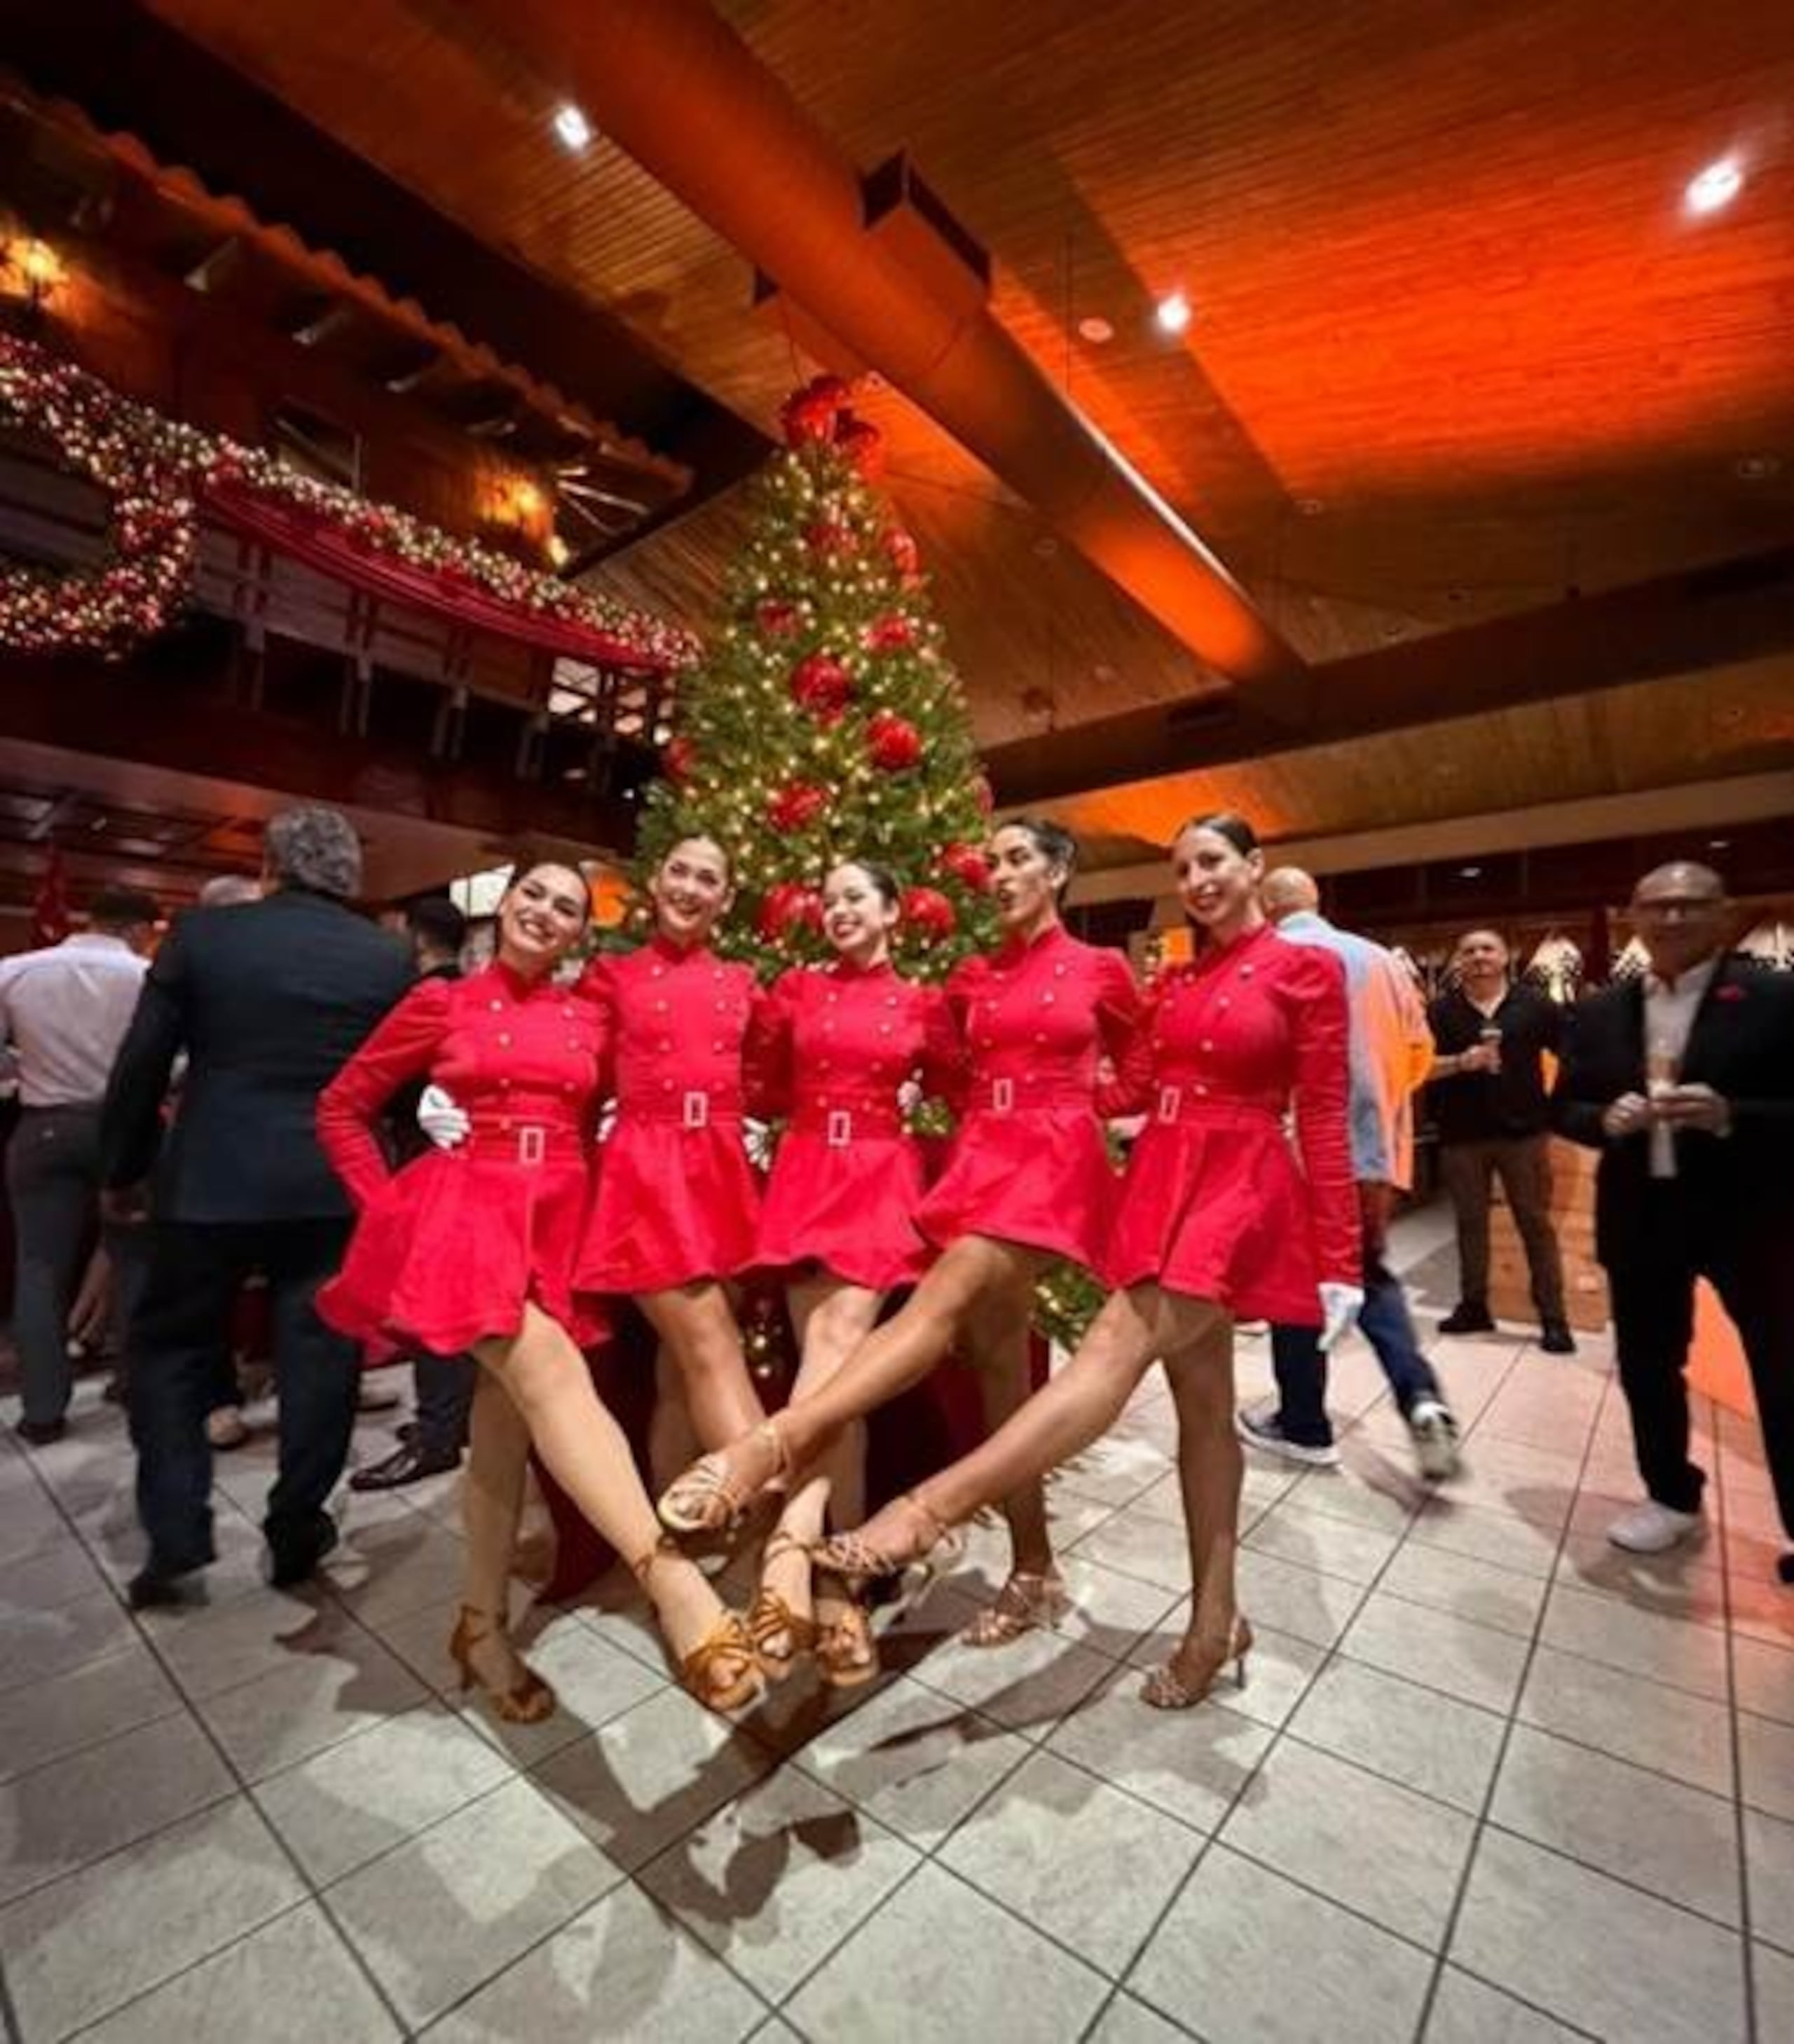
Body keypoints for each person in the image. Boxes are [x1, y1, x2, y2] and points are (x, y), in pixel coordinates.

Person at [814, 814, 1360, 1708]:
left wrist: (1339, 1255)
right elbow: (1134, 1083)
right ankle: (1213, 1617)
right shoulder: (1178, 979)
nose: (1198, 880)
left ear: (1254, 866)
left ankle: (922, 1513)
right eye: (1183, 867)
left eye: (1213, 862)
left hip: (1238, 1187)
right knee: (1204, 1408)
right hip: (1161, 1179)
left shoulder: (1305, 969)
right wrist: (1055, 1106)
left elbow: (1328, 1113)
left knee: (1113, 1346)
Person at [657, 816, 1142, 1649]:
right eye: (991, 860)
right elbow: (956, 1079)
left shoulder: (1099, 967)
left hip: (1046, 1171)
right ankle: (1032, 1568)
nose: (998, 872)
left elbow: (1140, 1063)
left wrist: (1073, 1111)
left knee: (946, 1290)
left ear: (1059, 870)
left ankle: (774, 1453)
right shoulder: (970, 978)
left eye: (1018, 858)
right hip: (979, 1166)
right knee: (998, 1369)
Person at [316, 860, 760, 1717]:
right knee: (549, 1370)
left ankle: (479, 1625)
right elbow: (343, 1107)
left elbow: (655, 1082)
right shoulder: (441, 1001)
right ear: (504, 905)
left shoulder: (589, 1011)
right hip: (466, 1212)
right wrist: (391, 1215)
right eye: (534, 895)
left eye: (567, 906)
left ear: (579, 936)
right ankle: (676, 1590)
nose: (546, 912)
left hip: (560, 1216)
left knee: (503, 1427)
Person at [101, 807, 414, 1604]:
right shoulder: (385, 956)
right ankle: (297, 1524)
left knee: (171, 1352)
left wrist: (123, 1165)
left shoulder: (206, 937)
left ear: (270, 866)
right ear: (349, 875)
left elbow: (141, 1063)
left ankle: (175, 1530)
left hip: (210, 1176)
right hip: (330, 1185)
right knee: (321, 1360)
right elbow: (402, 1084)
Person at [744, 857, 959, 1687]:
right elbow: (761, 1084)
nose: (836, 909)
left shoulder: (920, 1002)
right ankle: (842, 1577)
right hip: (803, 1170)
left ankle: (790, 1554)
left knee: (836, 1348)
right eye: (827, 899)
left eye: (855, 898)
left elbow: (955, 1086)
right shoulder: (795, 988)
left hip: (877, 1178)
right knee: (831, 1379)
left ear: (891, 911)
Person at [1554, 862, 1794, 1575]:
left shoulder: (1774, 998)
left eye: (1690, 906)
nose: (1671, 920)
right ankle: (1670, 1496)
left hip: (1751, 1214)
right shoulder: (1601, 1010)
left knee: (1782, 1367)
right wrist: (1606, 1117)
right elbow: (1565, 1105)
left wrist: (1732, 1115)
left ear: (1723, 914)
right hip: (1641, 1211)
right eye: (1655, 907)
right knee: (1647, 1364)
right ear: (1633, 917)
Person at [1239, 868, 1459, 1479]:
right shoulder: (1383, 963)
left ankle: (1303, 1421)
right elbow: (1419, 1054)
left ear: (1267, 904)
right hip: (1373, 1153)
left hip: (1301, 1152)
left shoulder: (1275, 957)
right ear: (1317, 903)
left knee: (1295, 1285)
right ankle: (1420, 1394)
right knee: (1368, 1276)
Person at [1, 883, 159, 1443]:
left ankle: (43, 1410)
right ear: (140, 929)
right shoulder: (144, 977)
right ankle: (135, 1386)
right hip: (124, 1127)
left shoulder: (17, 969)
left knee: (39, 1267)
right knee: (136, 1260)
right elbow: (177, 1059)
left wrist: (24, 1072)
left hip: (43, 1125)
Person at [350, 894, 481, 1493]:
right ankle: (448, 1423)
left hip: (436, 1166)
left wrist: (381, 1199)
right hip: (449, 1164)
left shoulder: (435, 1001)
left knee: (439, 1301)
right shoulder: (463, 998)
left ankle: (439, 1432)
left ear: (414, 936)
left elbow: (360, 1097)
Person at [1427, 928, 1575, 1353]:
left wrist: (1558, 1104)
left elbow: (1573, 1053)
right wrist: (1459, 1062)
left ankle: (1553, 1318)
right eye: (1469, 950)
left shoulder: (1535, 1005)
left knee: (1535, 1224)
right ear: (1459, 960)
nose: (1478, 957)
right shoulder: (1441, 1011)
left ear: (1506, 955)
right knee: (1469, 1224)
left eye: (1487, 949)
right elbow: (1416, 1067)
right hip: (1461, 1136)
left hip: (1523, 1135)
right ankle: (1474, 1306)